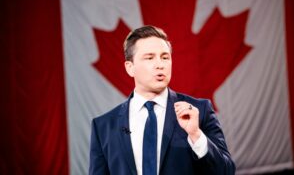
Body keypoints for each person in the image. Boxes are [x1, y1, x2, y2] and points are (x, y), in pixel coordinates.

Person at [89, 25, 235, 175]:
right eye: (149, 58)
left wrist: (196, 135)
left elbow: (226, 171)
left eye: (165, 57)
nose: (160, 65)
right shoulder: (103, 127)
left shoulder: (199, 111)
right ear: (130, 67)